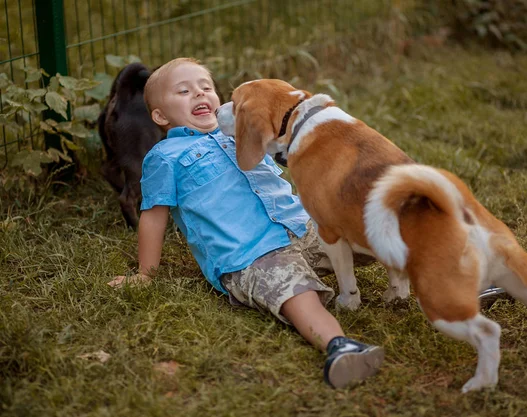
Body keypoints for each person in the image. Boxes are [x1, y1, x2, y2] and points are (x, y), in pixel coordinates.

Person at [108, 57, 384, 389]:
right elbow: (153, 217)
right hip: (252, 254)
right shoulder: (165, 157)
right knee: (298, 294)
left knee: (369, 233)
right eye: (184, 91)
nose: (199, 94)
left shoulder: (240, 132)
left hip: (301, 225)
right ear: (160, 116)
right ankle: (340, 347)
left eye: (205, 87)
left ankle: (437, 266)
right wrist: (145, 274)